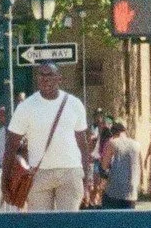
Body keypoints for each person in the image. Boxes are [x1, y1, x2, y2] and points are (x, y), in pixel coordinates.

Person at [5, 62, 90, 213]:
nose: (45, 79)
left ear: (59, 79)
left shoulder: (74, 104)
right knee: (41, 227)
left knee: (68, 227)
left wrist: (87, 177)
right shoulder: (26, 106)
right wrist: (5, 179)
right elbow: (11, 145)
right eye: (41, 75)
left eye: (49, 75)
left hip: (69, 172)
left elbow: (83, 144)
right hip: (38, 174)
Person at [99, 119, 142, 209]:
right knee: (128, 220)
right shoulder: (137, 144)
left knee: (111, 218)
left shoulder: (112, 143)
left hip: (114, 189)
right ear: (124, 131)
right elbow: (140, 166)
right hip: (131, 189)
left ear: (113, 133)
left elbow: (104, 165)